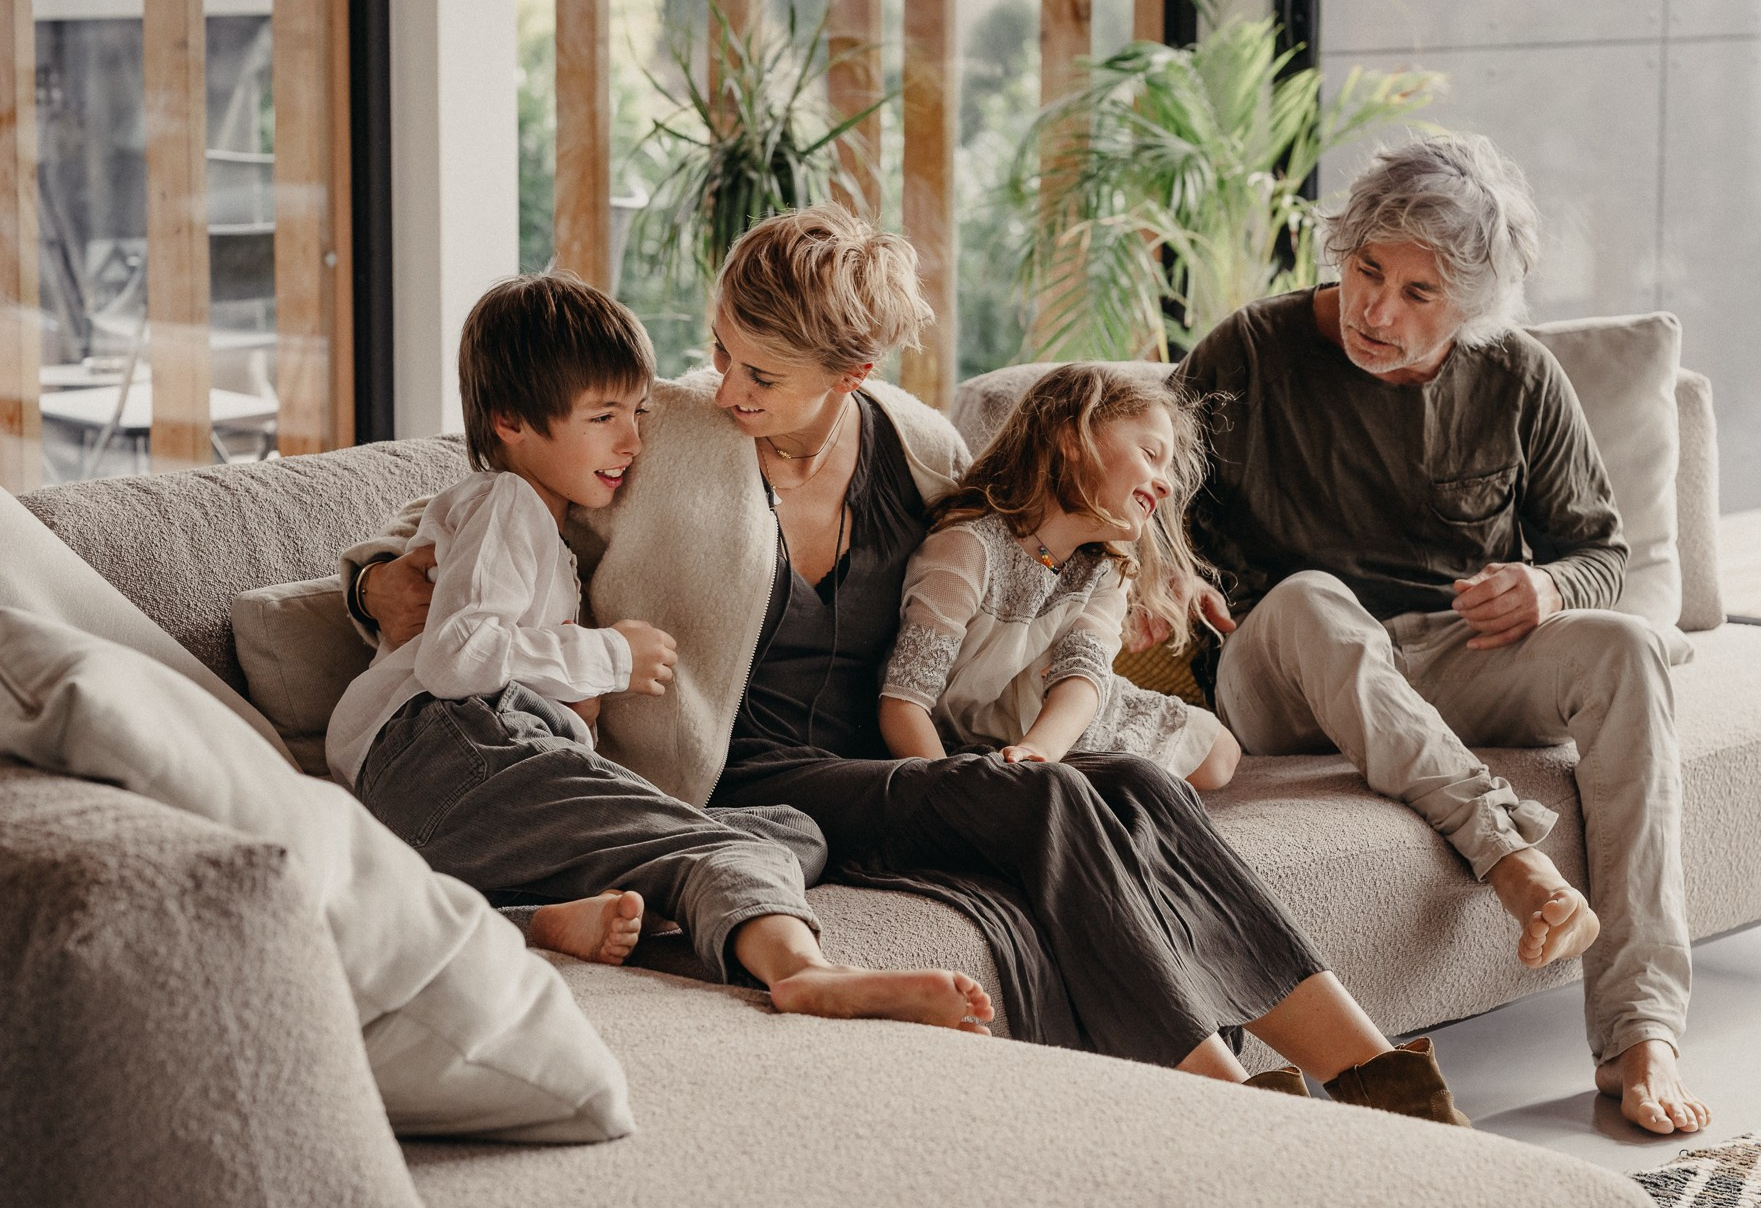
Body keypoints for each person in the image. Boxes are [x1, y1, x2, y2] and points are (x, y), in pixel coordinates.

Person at [353, 206, 1469, 1124]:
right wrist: (371, 582)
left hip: (878, 767)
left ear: (852, 371)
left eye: (764, 375)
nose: (728, 390)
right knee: (1036, 800)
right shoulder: (671, 438)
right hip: (740, 776)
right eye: (723, 353)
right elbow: (461, 499)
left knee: (1127, 781)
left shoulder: (912, 440)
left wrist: (1151, 571)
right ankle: (1239, 1114)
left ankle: (1383, 1084)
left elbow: (1031, 528)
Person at [1168, 132, 1710, 1136]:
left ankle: (1639, 1031)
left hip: (1440, 660)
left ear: (1475, 308)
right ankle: (1510, 860)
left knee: (1625, 651)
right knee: (1307, 598)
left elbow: (1600, 553)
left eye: (1419, 294)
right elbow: (1140, 491)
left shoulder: (1516, 377)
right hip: (1283, 674)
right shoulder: (1247, 351)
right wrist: (1169, 574)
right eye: (1367, 271)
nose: (1377, 311)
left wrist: (1546, 589)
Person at [329, 271, 993, 1032]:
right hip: (446, 744)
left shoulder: (547, 524)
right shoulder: (503, 502)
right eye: (604, 416)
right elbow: (454, 656)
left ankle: (537, 918)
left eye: (637, 413)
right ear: (511, 420)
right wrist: (607, 655)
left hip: (471, 777)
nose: (634, 441)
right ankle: (805, 972)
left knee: (792, 833)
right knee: (719, 850)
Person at [878, 364, 1239, 793]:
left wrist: (1041, 750)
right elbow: (904, 701)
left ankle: (1041, 772)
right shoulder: (968, 549)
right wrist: (949, 794)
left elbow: (1082, 675)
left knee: (1219, 752)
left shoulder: (1109, 568)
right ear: (1072, 436)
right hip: (955, 734)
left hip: (1052, 719)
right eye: (1149, 455)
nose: (1165, 486)